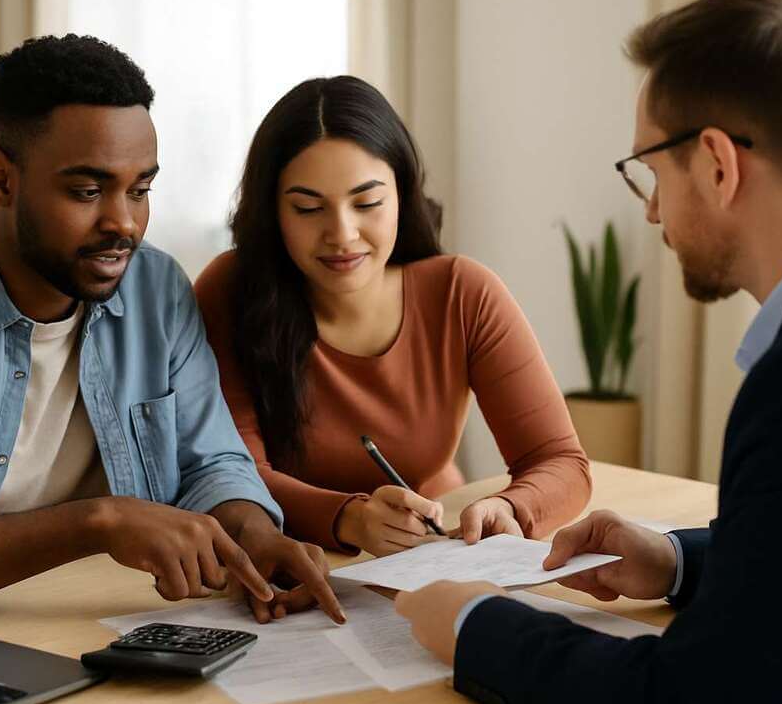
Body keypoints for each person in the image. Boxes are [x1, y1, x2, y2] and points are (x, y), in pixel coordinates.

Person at [395, 0, 782, 704]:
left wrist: (474, 624)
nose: (653, 210)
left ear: (719, 164)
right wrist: (677, 561)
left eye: (650, 172)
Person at [0, 35, 343, 625]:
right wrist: (98, 523)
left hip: (109, 618)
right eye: (87, 191)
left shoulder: (155, 287)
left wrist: (251, 533)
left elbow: (212, 463)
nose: (124, 224)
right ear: (0, 179)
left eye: (141, 190)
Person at [194, 76, 590, 558]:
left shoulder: (462, 293)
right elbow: (231, 475)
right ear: (272, 212)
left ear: (403, 195)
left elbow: (560, 461)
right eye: (308, 208)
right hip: (292, 563)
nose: (341, 234)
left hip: (425, 553)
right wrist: (349, 517)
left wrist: (511, 505)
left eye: (367, 203)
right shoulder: (230, 290)